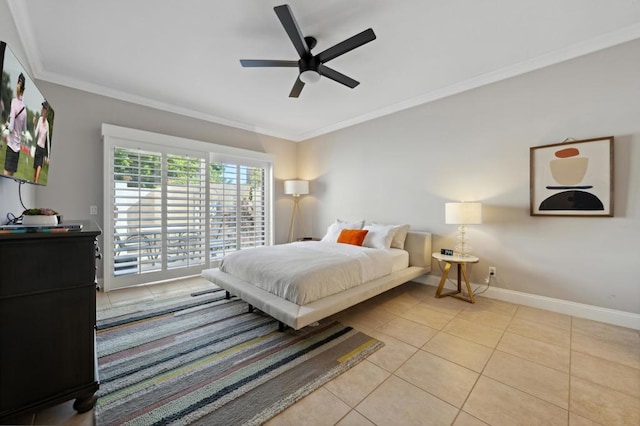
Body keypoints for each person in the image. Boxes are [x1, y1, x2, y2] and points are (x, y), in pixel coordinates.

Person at [4, 73, 27, 176]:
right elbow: (25, 130)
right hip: (17, 150)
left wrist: (7, 124)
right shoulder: (24, 109)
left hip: (11, 146)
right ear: (24, 90)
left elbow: (11, 128)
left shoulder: (14, 102)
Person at [33, 101, 50, 183]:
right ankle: (34, 182)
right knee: (34, 175)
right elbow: (35, 134)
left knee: (37, 177)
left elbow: (48, 141)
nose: (43, 110)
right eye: (42, 108)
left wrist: (49, 156)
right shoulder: (39, 119)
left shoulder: (47, 124)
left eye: (44, 109)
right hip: (37, 148)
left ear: (46, 111)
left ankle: (36, 182)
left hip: (42, 150)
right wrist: (34, 124)